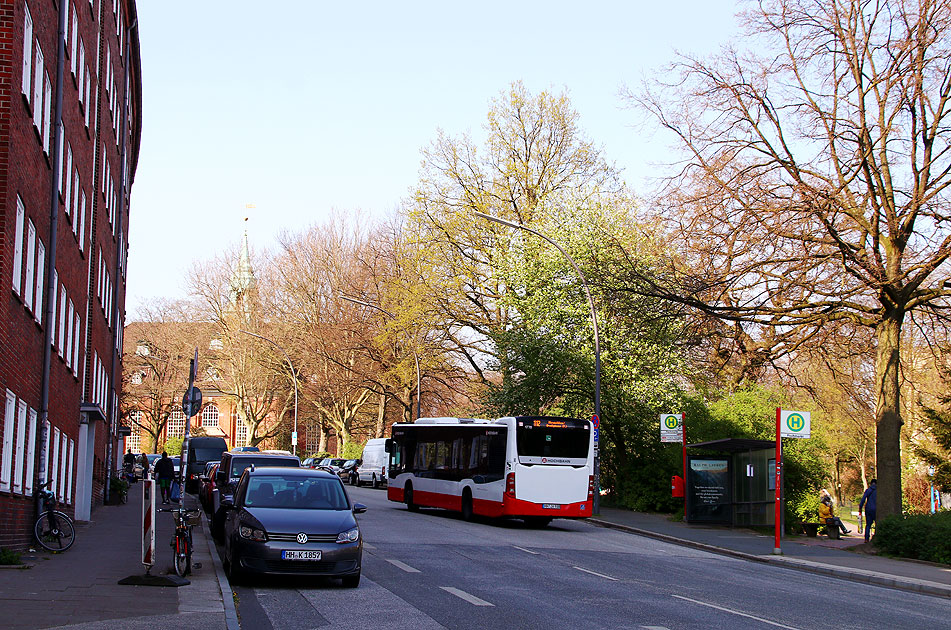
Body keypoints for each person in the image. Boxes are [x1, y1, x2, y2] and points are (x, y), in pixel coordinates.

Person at [859, 479, 877, 543]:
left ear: (871, 483)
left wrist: (860, 507)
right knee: (877, 523)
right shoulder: (879, 491)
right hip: (876, 509)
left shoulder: (868, 490)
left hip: (868, 509)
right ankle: (876, 537)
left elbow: (863, 499)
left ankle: (866, 539)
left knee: (868, 525)